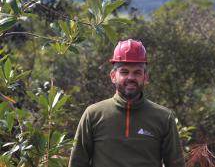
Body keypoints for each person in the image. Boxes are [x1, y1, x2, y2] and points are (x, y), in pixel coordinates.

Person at [68, 39, 185, 167]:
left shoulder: (164, 117)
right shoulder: (93, 114)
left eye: (137, 72)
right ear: (113, 76)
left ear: (145, 77)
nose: (131, 77)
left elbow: (176, 164)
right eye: (124, 72)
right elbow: (77, 162)